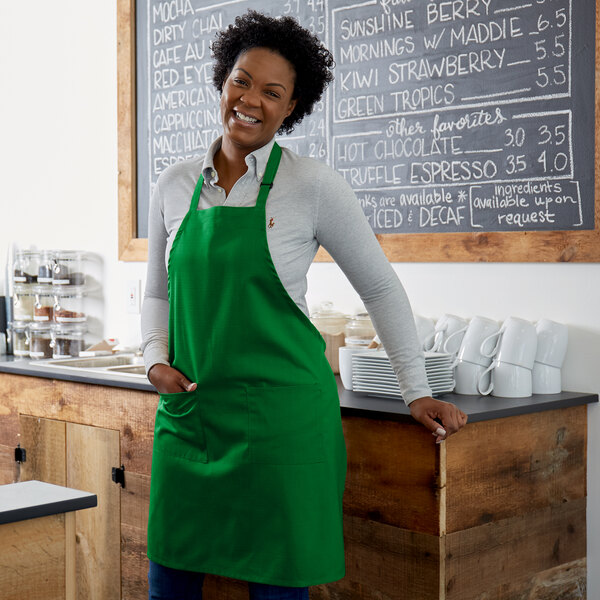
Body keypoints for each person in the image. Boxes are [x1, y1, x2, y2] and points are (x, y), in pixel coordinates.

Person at [141, 10, 467, 600]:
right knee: (169, 580)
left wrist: (415, 389)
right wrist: (152, 360)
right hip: (194, 416)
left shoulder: (312, 185)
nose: (250, 100)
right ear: (223, 82)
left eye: (272, 92)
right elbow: (157, 292)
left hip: (283, 426)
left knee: (279, 588)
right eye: (241, 80)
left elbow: (381, 288)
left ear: (291, 108)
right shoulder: (173, 183)